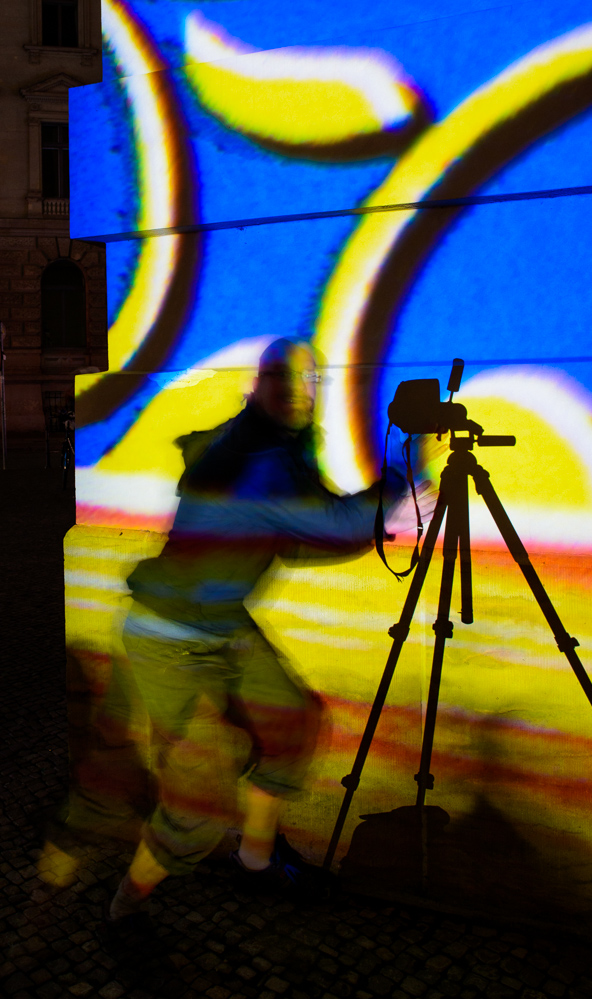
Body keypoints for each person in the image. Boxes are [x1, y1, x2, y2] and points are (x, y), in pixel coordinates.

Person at [100, 338, 431, 923]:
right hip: (169, 638)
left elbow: (298, 538)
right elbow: (329, 523)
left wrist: (377, 518)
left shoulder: (270, 450)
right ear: (259, 388)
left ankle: (255, 859)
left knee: (292, 720)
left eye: (312, 380)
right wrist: (403, 477)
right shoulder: (256, 459)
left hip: (220, 623)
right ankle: (126, 906)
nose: (303, 392)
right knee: (198, 805)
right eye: (287, 379)